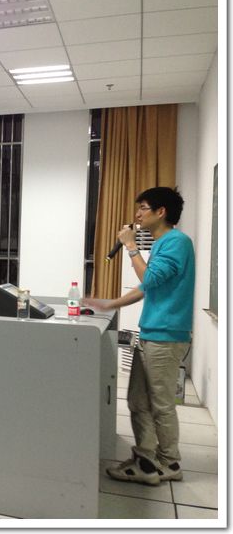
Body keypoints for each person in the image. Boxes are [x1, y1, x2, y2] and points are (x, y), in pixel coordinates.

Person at [83, 187, 194, 486]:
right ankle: (146, 459)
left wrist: (131, 246)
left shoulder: (176, 242)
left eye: (143, 208)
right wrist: (111, 304)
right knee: (138, 401)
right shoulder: (162, 244)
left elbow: (150, 278)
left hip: (165, 336)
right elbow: (148, 287)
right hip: (152, 332)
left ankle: (169, 462)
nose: (137, 214)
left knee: (161, 403)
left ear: (161, 212)